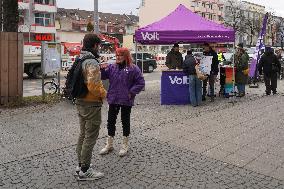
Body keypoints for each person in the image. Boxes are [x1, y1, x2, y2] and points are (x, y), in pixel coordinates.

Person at [99, 47, 145, 157]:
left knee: (125, 122)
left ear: (126, 56)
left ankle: (125, 145)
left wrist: (131, 92)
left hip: (126, 100)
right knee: (110, 122)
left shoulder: (133, 69)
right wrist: (102, 68)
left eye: (121, 55)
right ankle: (109, 144)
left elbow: (141, 82)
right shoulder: (112, 67)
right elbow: (103, 76)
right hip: (114, 99)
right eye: (117, 55)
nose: (118, 57)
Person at [75, 34, 107, 180]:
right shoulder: (91, 62)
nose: (99, 48)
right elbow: (93, 86)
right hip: (91, 103)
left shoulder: (79, 58)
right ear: (95, 46)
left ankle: (80, 165)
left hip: (80, 101)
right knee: (90, 137)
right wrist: (105, 94)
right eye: (98, 46)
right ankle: (85, 170)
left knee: (83, 134)